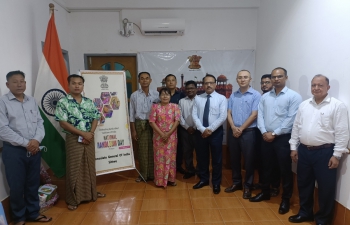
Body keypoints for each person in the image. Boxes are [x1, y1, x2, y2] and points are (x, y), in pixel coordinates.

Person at [288, 75, 349, 225]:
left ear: (328, 87)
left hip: (325, 153)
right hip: (304, 151)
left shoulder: (337, 106)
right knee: (304, 184)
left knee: (325, 187)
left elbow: (342, 132)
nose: (316, 88)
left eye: (320, 85)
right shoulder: (304, 105)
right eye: (313, 85)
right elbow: (296, 127)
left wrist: (337, 155)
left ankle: (323, 219)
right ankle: (305, 213)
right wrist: (293, 147)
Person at [0, 71, 52, 225]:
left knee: (33, 183)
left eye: (22, 81)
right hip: (14, 151)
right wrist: (27, 144)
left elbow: (40, 123)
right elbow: (2, 129)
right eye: (15, 81)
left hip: (34, 149)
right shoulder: (3, 102)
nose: (19, 84)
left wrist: (36, 140)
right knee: (16, 186)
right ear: (7, 85)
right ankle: (19, 217)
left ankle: (33, 213)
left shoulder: (31, 101)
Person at [250, 67, 302, 216]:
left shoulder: (294, 96)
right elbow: (260, 115)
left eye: (279, 76)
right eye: (274, 77)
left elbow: (291, 119)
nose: (276, 79)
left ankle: (285, 199)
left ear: (286, 77)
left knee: (285, 170)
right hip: (265, 136)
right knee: (265, 166)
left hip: (283, 138)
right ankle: (265, 192)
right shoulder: (265, 97)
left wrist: (274, 133)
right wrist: (264, 131)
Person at [55, 74, 105, 211]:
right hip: (73, 138)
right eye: (74, 83)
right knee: (74, 167)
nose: (77, 86)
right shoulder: (63, 102)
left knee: (89, 165)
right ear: (68, 85)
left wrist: (90, 134)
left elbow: (96, 117)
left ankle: (92, 193)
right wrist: (82, 133)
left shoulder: (89, 102)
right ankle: (73, 199)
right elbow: (63, 123)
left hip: (89, 137)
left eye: (79, 83)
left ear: (83, 86)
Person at [224, 70, 260, 199]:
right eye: (240, 77)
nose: (242, 79)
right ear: (236, 79)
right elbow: (228, 113)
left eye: (245, 77)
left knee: (249, 160)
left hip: (248, 132)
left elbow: (254, 114)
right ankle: (237, 183)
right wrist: (233, 127)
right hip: (233, 131)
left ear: (250, 79)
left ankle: (248, 186)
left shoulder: (256, 95)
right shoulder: (233, 96)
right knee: (234, 159)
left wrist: (241, 128)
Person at [192, 74, 227, 194]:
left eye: (211, 82)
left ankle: (216, 182)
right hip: (201, 133)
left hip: (216, 133)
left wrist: (210, 129)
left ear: (215, 84)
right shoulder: (198, 98)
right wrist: (202, 129)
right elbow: (194, 115)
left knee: (217, 159)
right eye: (206, 83)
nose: (208, 85)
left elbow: (222, 116)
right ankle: (204, 179)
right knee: (202, 157)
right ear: (203, 85)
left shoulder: (222, 98)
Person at [253, 74, 281, 197]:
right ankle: (263, 183)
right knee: (260, 160)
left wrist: (269, 132)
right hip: (259, 132)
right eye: (262, 82)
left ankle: (274, 186)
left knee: (274, 162)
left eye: (267, 82)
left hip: (274, 134)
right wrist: (263, 131)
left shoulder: (277, 98)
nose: (264, 84)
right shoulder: (260, 96)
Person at [129, 72, 159, 182]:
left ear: (150, 80)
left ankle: (154, 174)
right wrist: (133, 131)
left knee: (154, 149)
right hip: (140, 124)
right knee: (142, 150)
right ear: (139, 81)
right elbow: (131, 114)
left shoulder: (156, 95)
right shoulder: (134, 95)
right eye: (142, 78)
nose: (145, 80)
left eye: (147, 78)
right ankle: (143, 174)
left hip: (154, 125)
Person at [149, 88, 181, 188]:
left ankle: (171, 179)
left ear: (170, 96)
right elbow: (151, 121)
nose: (165, 96)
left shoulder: (175, 107)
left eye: (167, 94)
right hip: (158, 138)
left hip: (171, 138)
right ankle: (159, 181)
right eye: (163, 94)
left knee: (171, 158)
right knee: (159, 159)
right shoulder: (155, 107)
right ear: (159, 96)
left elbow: (177, 121)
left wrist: (168, 134)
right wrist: (162, 134)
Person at [165, 74, 186, 174]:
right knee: (166, 146)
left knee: (179, 146)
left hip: (179, 124)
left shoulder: (181, 95)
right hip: (166, 126)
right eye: (168, 80)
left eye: (173, 80)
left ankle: (178, 165)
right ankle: (167, 165)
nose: (171, 82)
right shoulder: (163, 94)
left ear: (176, 82)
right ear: (166, 82)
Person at [178, 80, 197, 179]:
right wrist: (187, 127)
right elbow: (179, 116)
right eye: (188, 88)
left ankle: (200, 170)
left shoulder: (200, 100)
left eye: (192, 88)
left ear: (196, 89)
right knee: (187, 151)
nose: (190, 90)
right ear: (185, 90)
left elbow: (201, 116)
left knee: (199, 152)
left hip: (198, 131)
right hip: (185, 131)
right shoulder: (182, 101)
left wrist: (194, 127)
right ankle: (190, 170)